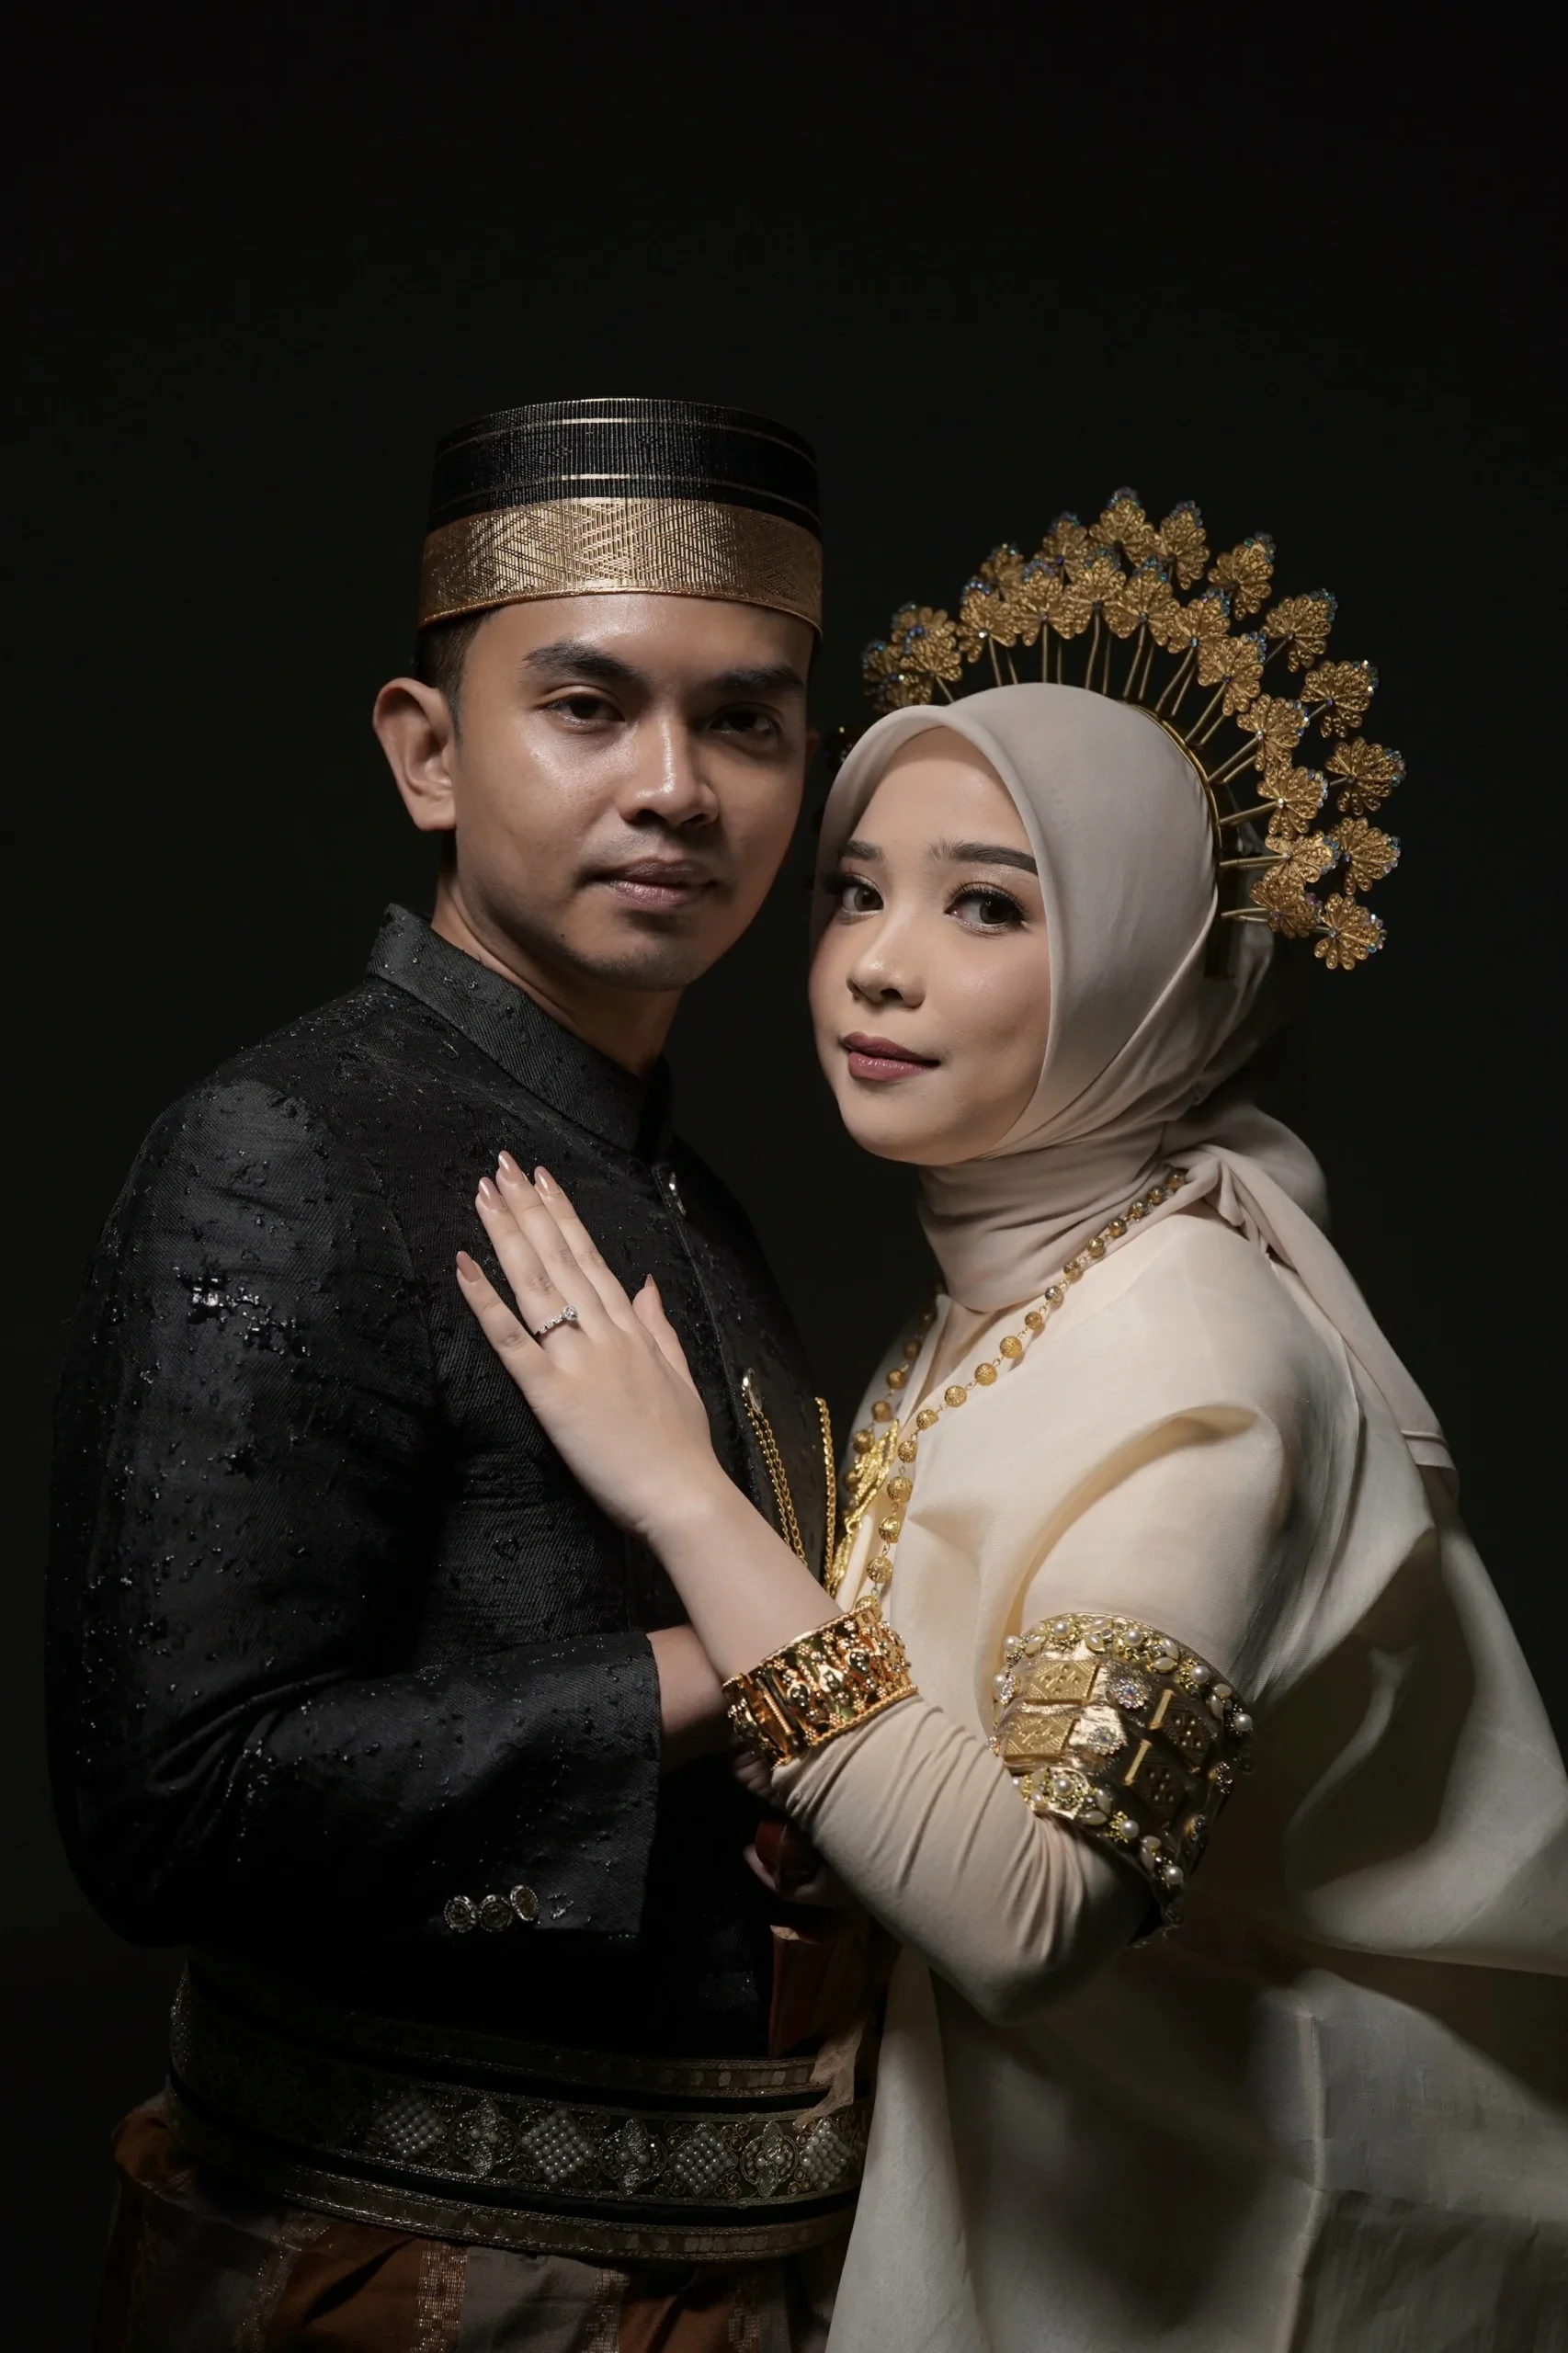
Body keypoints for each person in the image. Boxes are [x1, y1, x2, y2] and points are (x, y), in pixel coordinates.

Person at [456, 492, 1568, 2351]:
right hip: (1059, 2199)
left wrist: (677, 1494)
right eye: (856, 889)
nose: (877, 964)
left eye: (987, 903)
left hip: (1221, 2239)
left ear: (1151, 963)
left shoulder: (1197, 1355)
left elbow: (1033, 1914)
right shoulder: (1003, 1297)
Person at [49, 396, 860, 2348]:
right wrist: (730, 1663)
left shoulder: (685, 1186)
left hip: (719, 2281)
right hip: (394, 2284)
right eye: (588, 708)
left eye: (744, 723)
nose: (675, 787)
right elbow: (170, 1806)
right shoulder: (289, 1144)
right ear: (429, 752)